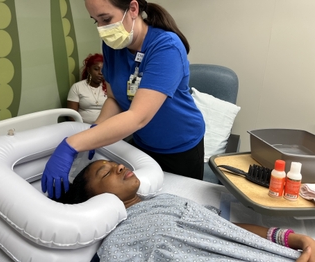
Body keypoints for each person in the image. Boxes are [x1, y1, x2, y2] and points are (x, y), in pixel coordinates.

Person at [42, 0, 206, 199]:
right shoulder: (112, 46)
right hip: (143, 142)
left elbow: (138, 117)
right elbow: (114, 98)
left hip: (180, 146)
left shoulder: (166, 47)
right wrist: (97, 128)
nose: (102, 29)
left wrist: (71, 144)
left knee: (179, 205)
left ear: (133, 9)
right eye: (96, 22)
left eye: (106, 19)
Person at [55, 160, 315, 262]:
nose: (120, 167)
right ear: (94, 199)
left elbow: (224, 228)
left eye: (115, 163)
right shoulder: (115, 246)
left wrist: (293, 238)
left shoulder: (164, 199)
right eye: (106, 172)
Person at [67, 53, 107, 124]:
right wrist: (80, 128)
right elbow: (72, 115)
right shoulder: (77, 87)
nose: (101, 73)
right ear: (88, 70)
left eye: (103, 70)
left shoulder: (109, 87)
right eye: (96, 69)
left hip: (104, 126)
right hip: (83, 127)